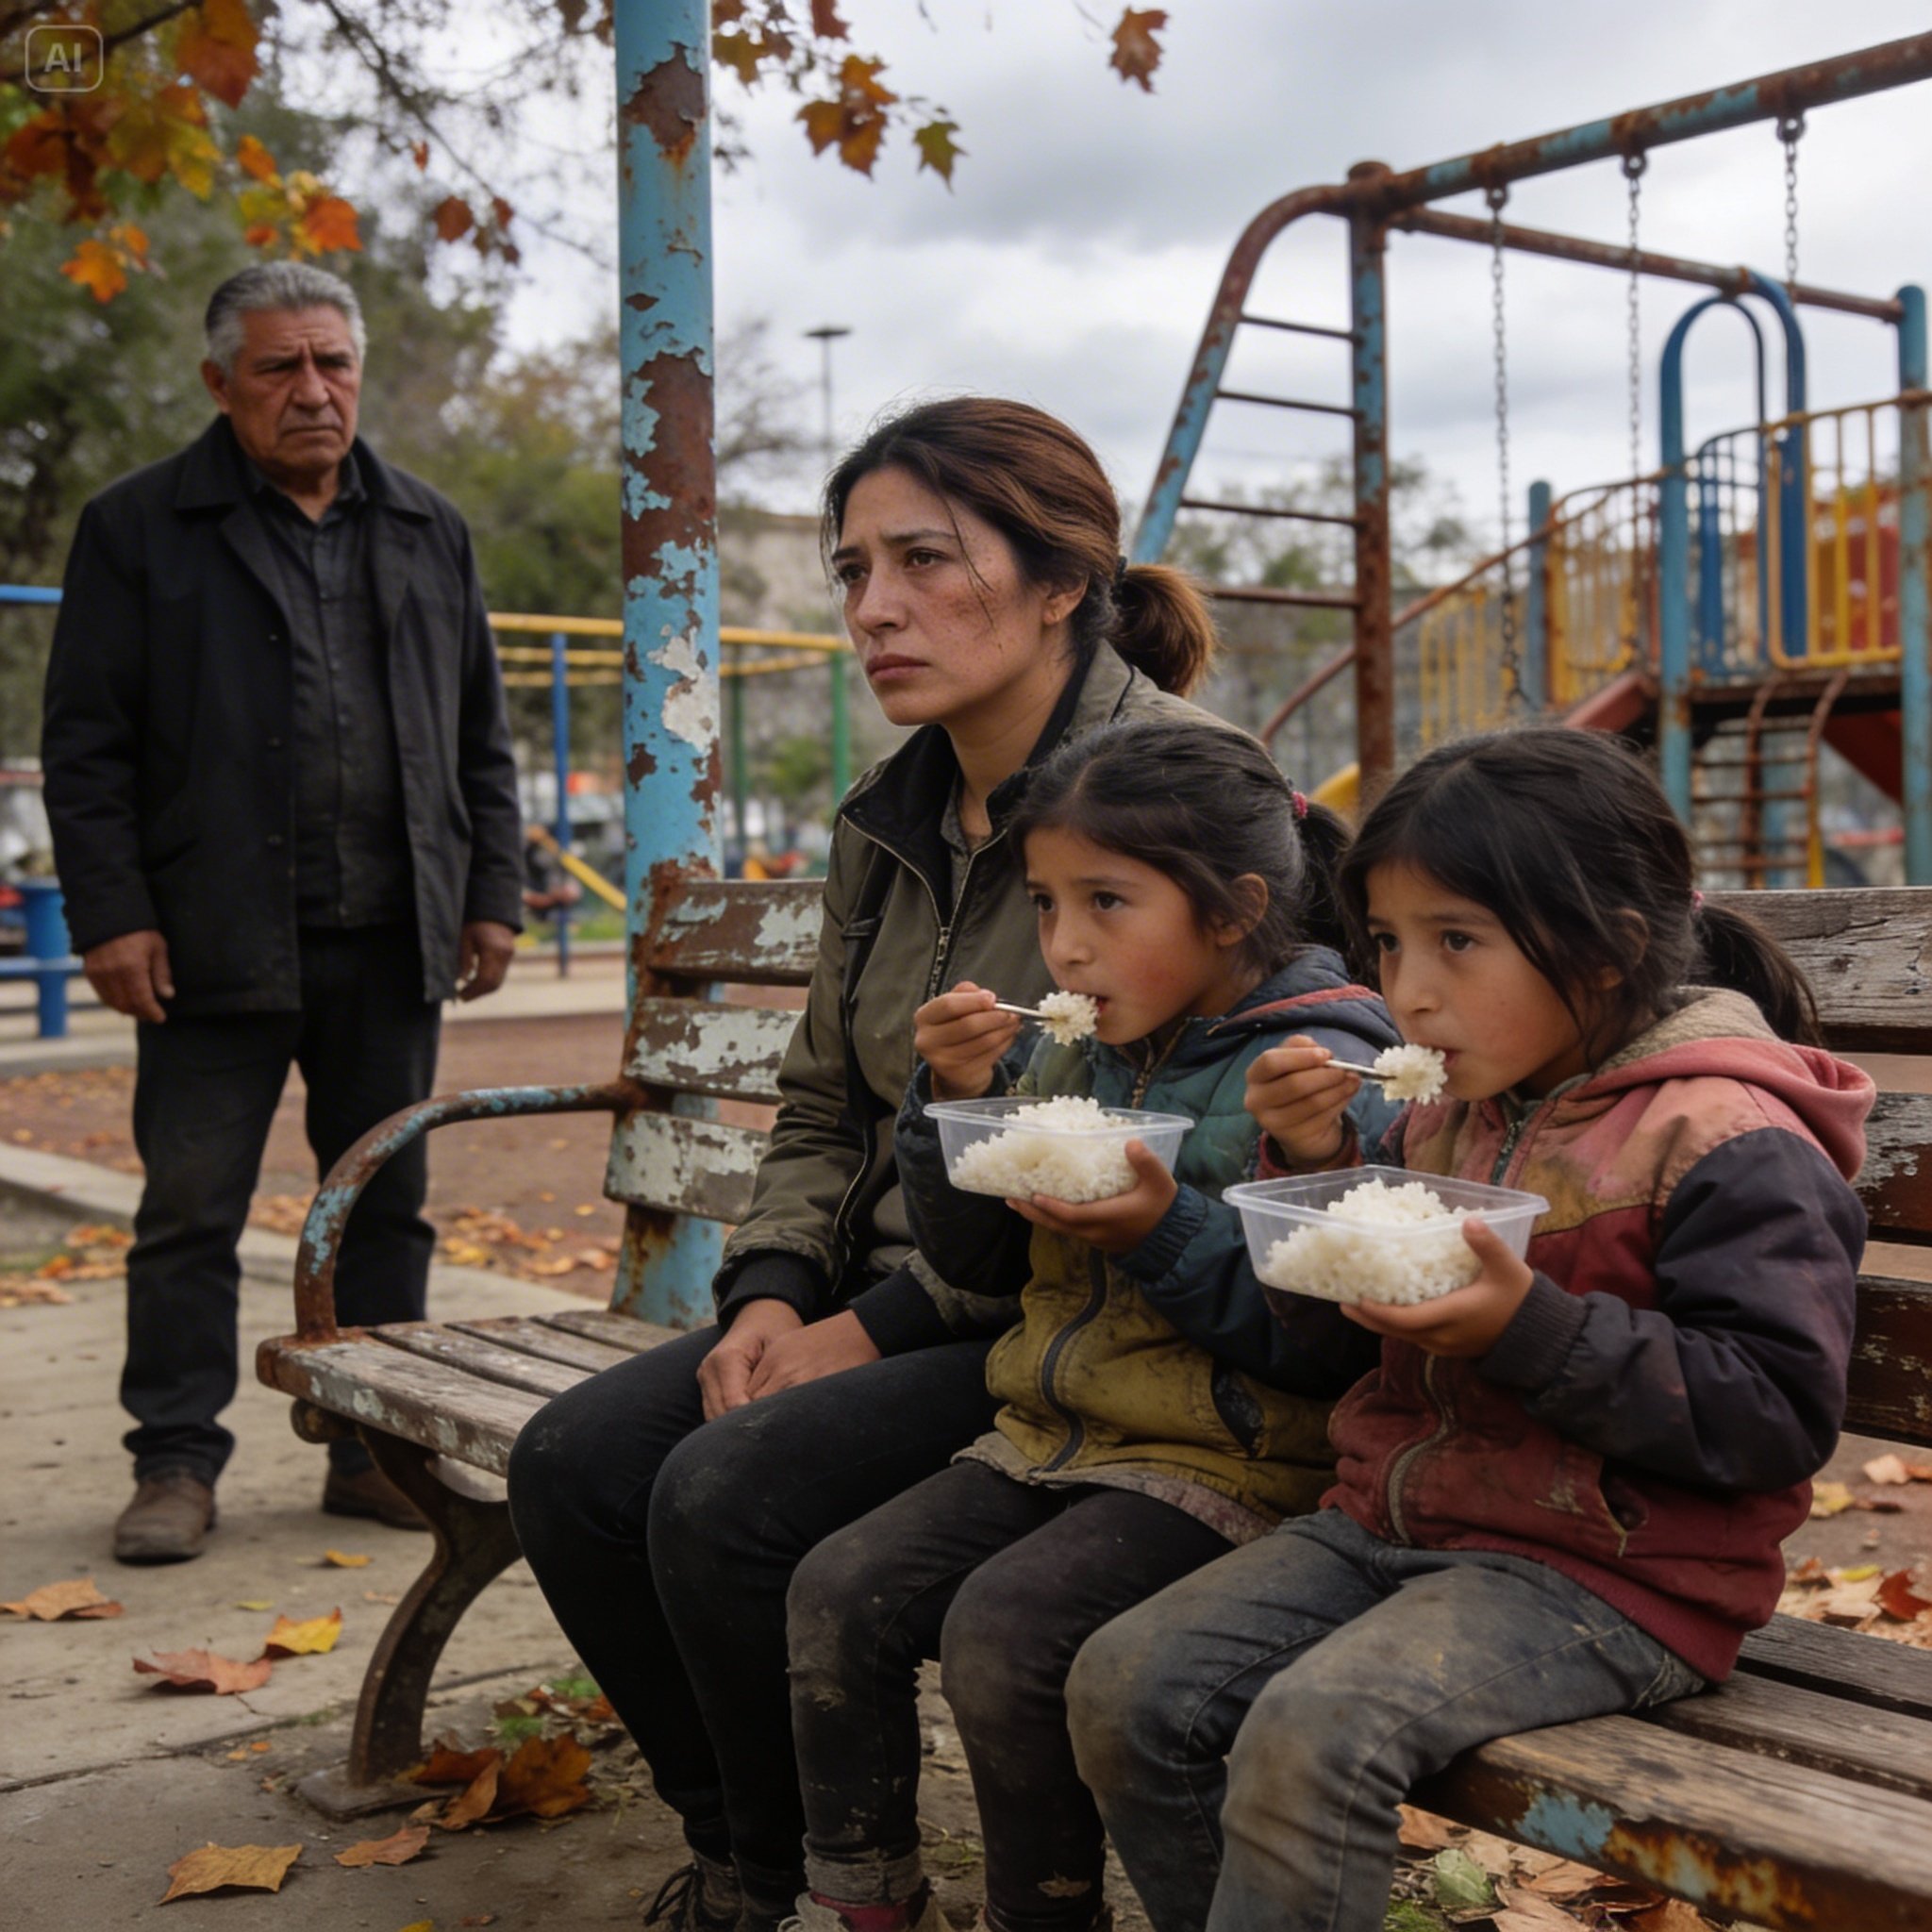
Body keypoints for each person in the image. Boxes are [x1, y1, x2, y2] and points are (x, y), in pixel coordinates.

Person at [507, 398, 1223, 1932]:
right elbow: (824, 1099)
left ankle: (819, 1884)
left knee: (720, 1491)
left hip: (1080, 1326)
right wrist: (771, 1288)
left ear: (1058, 582)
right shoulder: (887, 815)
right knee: (572, 1465)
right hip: (881, 1297)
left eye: (922, 561)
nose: (873, 607)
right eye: (852, 570)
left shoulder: (1177, 792)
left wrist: (874, 1329)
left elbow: (1165, 1141)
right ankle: (741, 1854)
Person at [1066, 725, 1874, 1932]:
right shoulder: (1444, 1113)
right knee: (1124, 1681)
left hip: (1617, 1575)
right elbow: (1332, 1347)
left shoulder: (1726, 1137)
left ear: (1608, 944)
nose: (1407, 989)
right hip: (1387, 1523)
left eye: (1454, 939)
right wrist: (1316, 1161)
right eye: (1388, 940)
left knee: (1312, 1730)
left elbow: (1770, 1415)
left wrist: (1524, 1325)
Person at [781, 719, 1398, 1932]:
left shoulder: (1316, 1069)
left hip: (1239, 1461)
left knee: (1004, 1634)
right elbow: (978, 1264)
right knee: (838, 1587)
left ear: (1232, 909)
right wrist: (952, 1100)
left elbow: (1324, 1346)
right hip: (1052, 1433)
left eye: (1105, 901)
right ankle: (859, 1901)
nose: (1062, 944)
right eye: (1045, 902)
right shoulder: (1080, 1053)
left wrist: (1162, 1228)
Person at [41, 262, 525, 1565]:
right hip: (207, 940)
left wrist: (489, 892)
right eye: (280, 367)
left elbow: (479, 733)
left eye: (333, 364)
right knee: (190, 1212)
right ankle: (175, 1461)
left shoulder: (427, 525)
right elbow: (84, 747)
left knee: (385, 1204)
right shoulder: (137, 527)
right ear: (221, 383)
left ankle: (374, 1451)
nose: (313, 391)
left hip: (392, 932)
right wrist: (111, 914)